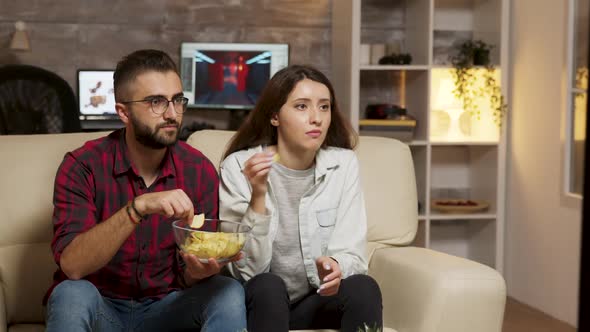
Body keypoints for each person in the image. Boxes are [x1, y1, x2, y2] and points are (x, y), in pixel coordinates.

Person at [44, 49, 247, 332]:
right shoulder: (83, 166)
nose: (172, 114)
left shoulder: (198, 169)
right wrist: (138, 207)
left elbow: (189, 273)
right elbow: (73, 266)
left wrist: (196, 272)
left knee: (228, 290)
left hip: (168, 309)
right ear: (123, 112)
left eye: (177, 100)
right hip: (103, 308)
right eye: (156, 102)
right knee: (70, 293)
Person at [219, 64, 383, 332]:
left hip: (314, 302)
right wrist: (258, 194)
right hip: (260, 303)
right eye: (301, 106)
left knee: (364, 287)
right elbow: (247, 272)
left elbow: (352, 251)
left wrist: (336, 266)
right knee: (269, 285)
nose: (316, 118)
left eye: (324, 107)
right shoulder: (239, 166)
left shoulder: (344, 165)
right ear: (275, 116)